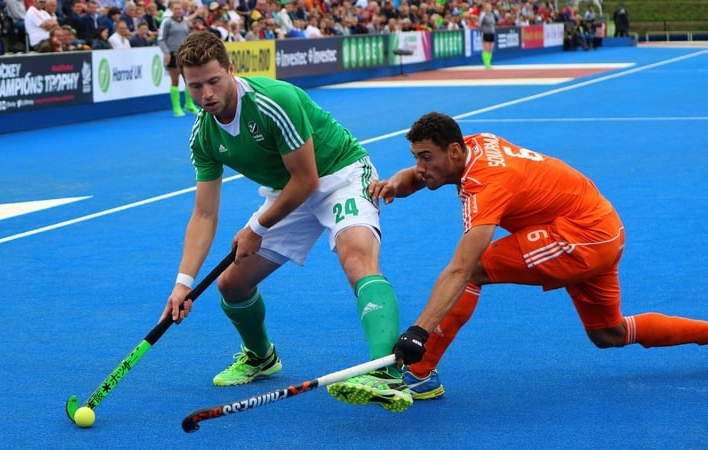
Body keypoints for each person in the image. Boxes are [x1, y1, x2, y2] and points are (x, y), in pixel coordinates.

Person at [363, 111, 708, 402]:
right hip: (601, 228)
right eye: (415, 157)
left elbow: (461, 268)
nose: (419, 166)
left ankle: (421, 375)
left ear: (454, 150)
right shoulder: (475, 144)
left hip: (580, 236)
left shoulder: (487, 185)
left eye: (425, 157)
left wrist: (418, 332)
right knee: (608, 334)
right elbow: (424, 177)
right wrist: (396, 182)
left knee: (474, 270)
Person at [158, 31, 412, 413]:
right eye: (195, 86)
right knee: (232, 284)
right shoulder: (204, 135)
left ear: (231, 69)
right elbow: (205, 213)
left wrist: (256, 228)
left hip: (339, 174)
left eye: (214, 81)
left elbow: (308, 179)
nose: (206, 93)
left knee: (357, 259)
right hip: (286, 191)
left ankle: (385, 372)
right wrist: (183, 284)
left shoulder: (274, 100)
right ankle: (261, 357)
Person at [157, 0, 198, 117]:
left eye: (179, 9)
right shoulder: (167, 22)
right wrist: (166, 53)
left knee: (188, 79)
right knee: (175, 80)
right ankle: (176, 107)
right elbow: (161, 39)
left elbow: (188, 36)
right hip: (172, 54)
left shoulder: (185, 21)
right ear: (171, 10)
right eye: (175, 9)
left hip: (184, 54)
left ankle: (189, 104)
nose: (178, 11)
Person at [478, 1, 498, 69]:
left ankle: (489, 62)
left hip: (491, 32)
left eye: (490, 7)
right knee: (486, 48)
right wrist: (481, 31)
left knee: (490, 48)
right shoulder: (483, 14)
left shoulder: (492, 14)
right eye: (488, 7)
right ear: (485, 8)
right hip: (485, 33)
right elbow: (479, 24)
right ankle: (486, 64)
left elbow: (493, 22)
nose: (489, 8)